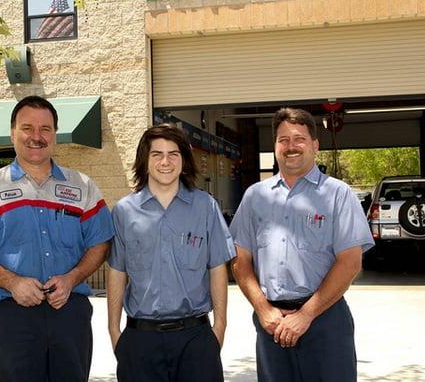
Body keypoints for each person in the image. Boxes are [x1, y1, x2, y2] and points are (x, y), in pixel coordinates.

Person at [0, 95, 114, 382]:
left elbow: (100, 243)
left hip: (69, 313)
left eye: (45, 129)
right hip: (12, 316)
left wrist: (72, 278)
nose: (36, 137)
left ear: (55, 135)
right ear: (13, 133)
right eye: (27, 128)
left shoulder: (83, 187)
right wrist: (12, 282)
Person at [230, 108, 374, 382]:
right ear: (275, 147)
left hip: (325, 320)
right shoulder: (255, 197)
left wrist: (306, 315)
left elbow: (350, 262)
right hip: (271, 323)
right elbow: (240, 261)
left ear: (315, 145)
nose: (291, 146)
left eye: (299, 139)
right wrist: (262, 309)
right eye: (283, 140)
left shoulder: (338, 194)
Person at [107, 124, 236, 382]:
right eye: (157, 154)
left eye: (173, 154)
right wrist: (114, 332)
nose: (165, 162)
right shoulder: (124, 211)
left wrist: (218, 329)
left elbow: (217, 268)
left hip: (195, 340)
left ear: (183, 161)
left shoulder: (205, 207)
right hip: (140, 341)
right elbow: (117, 272)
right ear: (145, 161)